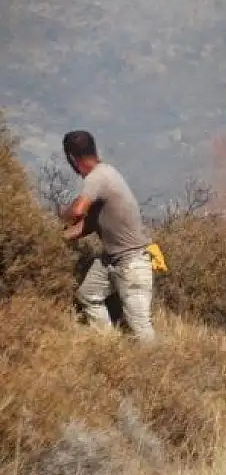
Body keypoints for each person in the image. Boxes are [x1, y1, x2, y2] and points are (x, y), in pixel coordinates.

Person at [58, 130, 156, 343]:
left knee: (141, 330)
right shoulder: (106, 173)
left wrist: (62, 215)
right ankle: (108, 345)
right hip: (112, 260)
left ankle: (165, 372)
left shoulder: (97, 177)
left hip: (132, 262)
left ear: (73, 160)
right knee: (88, 296)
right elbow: (90, 223)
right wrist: (57, 238)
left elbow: (77, 212)